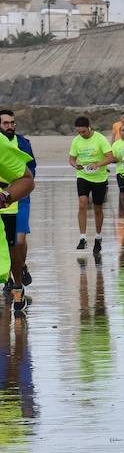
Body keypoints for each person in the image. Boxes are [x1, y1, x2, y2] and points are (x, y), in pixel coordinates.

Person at [0, 113, 35, 321]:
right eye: (6, 123)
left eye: (12, 122)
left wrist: (7, 194)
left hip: (10, 204)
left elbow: (28, 176)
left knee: (15, 249)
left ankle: (18, 289)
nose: (10, 126)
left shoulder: (20, 143)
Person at [69, 116, 113, 253]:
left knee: (97, 208)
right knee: (82, 204)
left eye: (83, 131)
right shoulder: (76, 141)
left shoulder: (100, 139)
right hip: (83, 176)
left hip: (99, 178)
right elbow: (71, 159)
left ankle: (98, 237)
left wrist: (98, 164)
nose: (81, 134)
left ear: (89, 127)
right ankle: (82, 238)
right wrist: (75, 165)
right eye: (79, 132)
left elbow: (110, 157)